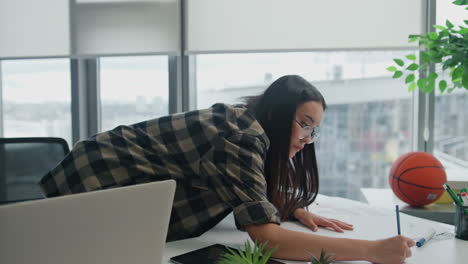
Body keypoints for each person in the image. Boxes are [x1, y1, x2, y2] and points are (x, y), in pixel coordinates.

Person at [39, 75, 414, 263]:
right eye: (303, 123)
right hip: (92, 182)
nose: (307, 138)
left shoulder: (247, 125)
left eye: (314, 130)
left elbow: (239, 187)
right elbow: (269, 239)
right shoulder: (242, 137)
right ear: (279, 113)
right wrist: (371, 249)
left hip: (107, 181)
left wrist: (287, 204)